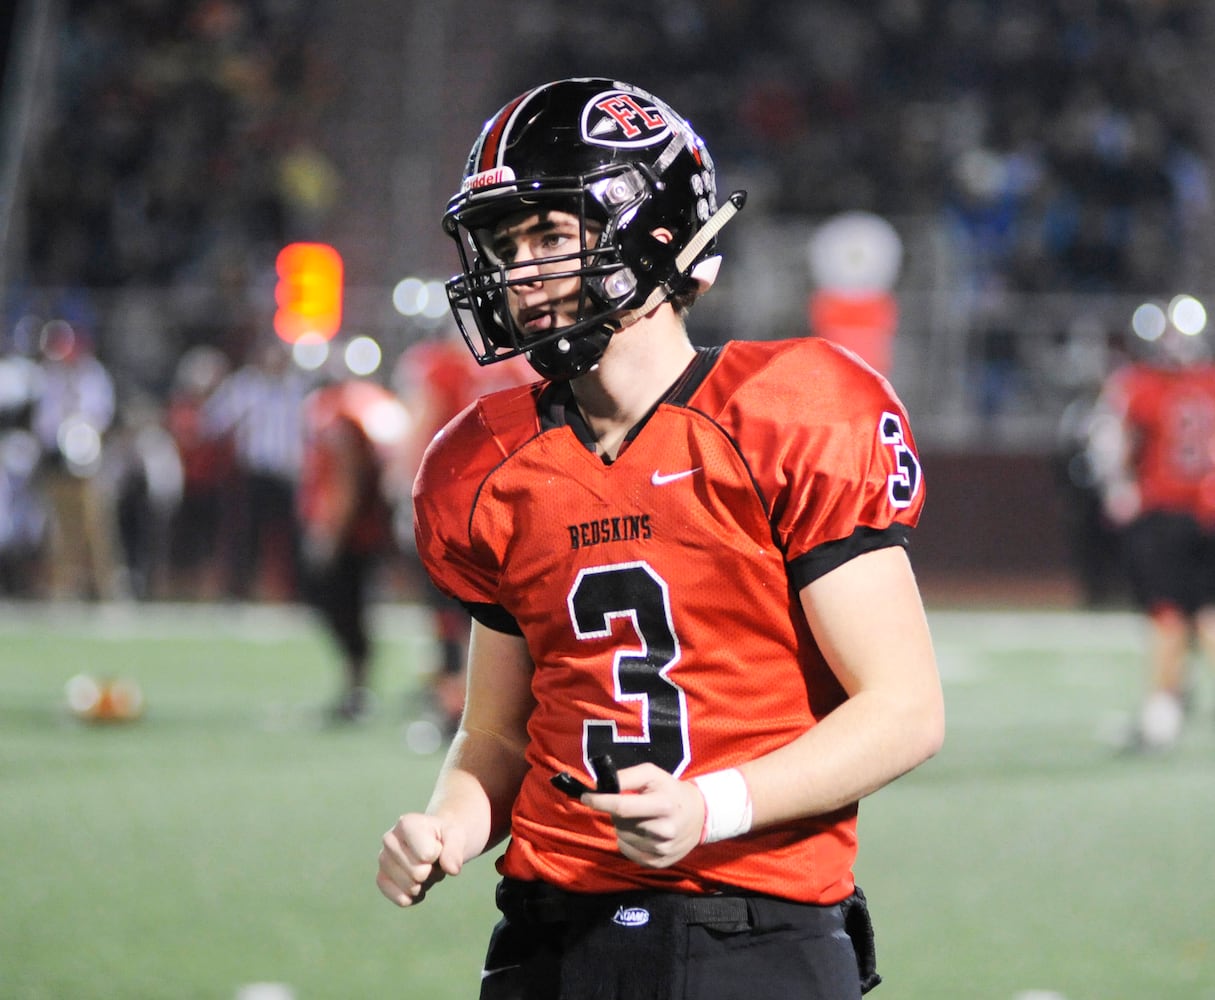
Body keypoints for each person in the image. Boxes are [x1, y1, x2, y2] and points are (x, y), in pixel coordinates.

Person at [376, 78, 944, 1000]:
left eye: (552, 236)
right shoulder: (483, 462)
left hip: (750, 918)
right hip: (549, 925)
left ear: (658, 235)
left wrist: (711, 807)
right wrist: (448, 823)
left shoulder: (787, 413)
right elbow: (495, 731)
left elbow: (905, 709)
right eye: (506, 243)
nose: (521, 273)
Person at [1086, 303, 1215, 750]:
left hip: (1165, 512)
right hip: (1208, 512)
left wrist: (1120, 490)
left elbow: (1110, 442)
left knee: (1166, 614)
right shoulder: (1209, 382)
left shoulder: (1141, 385)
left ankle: (1161, 714)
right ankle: (1167, 708)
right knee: (1205, 613)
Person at [297, 368, 409, 722]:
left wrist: (329, 531)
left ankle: (356, 687)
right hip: (355, 531)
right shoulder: (347, 411)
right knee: (340, 607)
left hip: (352, 535)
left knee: (340, 606)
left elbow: (344, 479)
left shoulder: (340, 415)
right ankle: (354, 686)